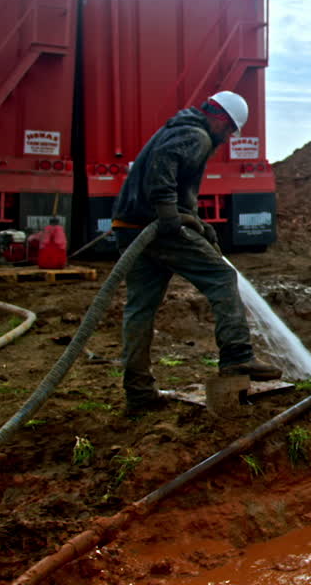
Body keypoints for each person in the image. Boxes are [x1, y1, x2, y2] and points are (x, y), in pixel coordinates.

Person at [111, 91, 281, 413]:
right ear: (220, 118)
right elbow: (164, 164)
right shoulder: (196, 134)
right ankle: (237, 356)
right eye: (230, 129)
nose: (228, 136)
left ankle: (138, 393)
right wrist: (168, 214)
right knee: (222, 277)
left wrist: (196, 222)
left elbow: (177, 183)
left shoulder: (178, 128)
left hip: (129, 228)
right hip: (157, 228)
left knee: (139, 311)